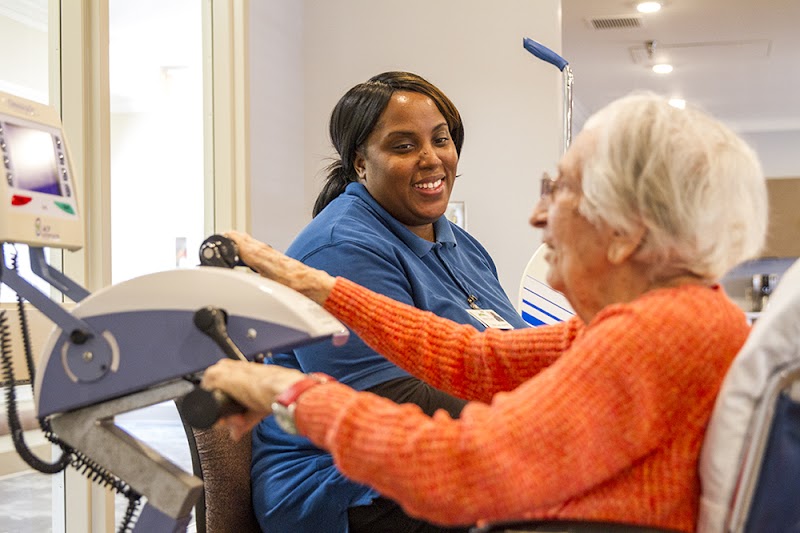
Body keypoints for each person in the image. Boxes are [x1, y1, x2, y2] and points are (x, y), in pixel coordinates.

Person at [204, 92, 768, 532]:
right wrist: (320, 285)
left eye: (560, 189)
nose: (537, 215)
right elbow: (483, 357)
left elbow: (466, 468)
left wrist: (290, 392)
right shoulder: (677, 312)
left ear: (625, 233)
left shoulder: (654, 332)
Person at [251, 71, 529, 533]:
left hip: (449, 457)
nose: (431, 159)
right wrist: (539, 418)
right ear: (361, 163)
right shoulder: (341, 248)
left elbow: (505, 349)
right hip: (347, 489)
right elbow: (392, 402)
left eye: (441, 139)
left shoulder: (463, 245)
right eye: (403, 146)